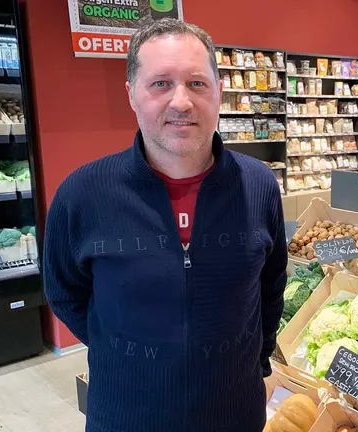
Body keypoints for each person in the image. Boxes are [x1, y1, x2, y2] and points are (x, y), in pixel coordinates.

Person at [42, 19, 287, 432]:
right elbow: (64, 293)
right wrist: (126, 353)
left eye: (197, 83)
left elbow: (271, 285)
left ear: (219, 92)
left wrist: (254, 357)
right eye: (160, 84)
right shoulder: (82, 194)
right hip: (126, 416)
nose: (182, 102)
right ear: (131, 95)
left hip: (235, 413)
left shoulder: (259, 184)